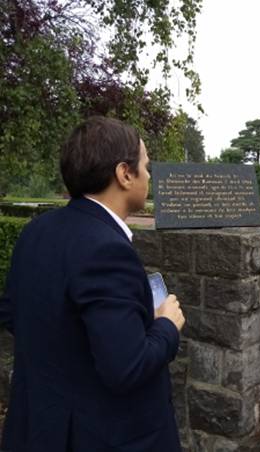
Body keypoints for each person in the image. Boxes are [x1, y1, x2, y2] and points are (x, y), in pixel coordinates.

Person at [0, 117, 185, 452]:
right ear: (124, 174)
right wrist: (166, 326)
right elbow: (127, 368)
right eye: (146, 166)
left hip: (39, 428)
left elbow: (14, 315)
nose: (149, 175)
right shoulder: (107, 249)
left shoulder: (35, 231)